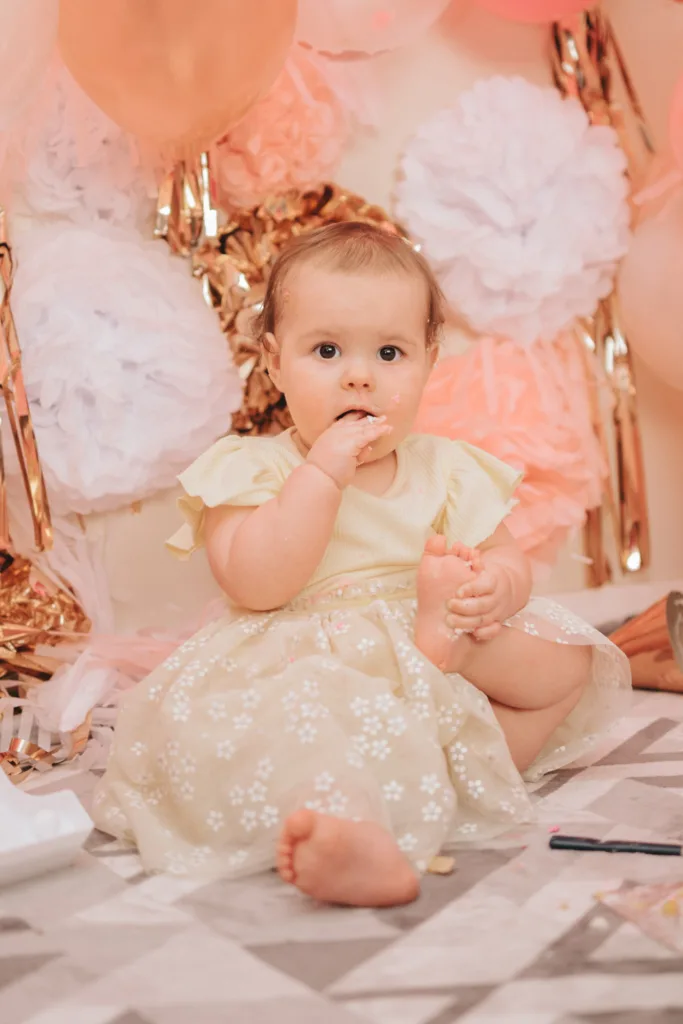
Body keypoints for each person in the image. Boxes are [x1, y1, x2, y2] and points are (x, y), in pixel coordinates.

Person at [92, 222, 630, 907]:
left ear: (427, 363)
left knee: (568, 667)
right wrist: (319, 477)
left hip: (440, 645)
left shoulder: (447, 469)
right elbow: (257, 585)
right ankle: (355, 834)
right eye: (325, 350)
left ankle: (462, 776)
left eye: (389, 352)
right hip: (315, 653)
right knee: (312, 730)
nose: (359, 373)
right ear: (274, 362)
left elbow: (501, 554)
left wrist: (497, 585)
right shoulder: (250, 468)